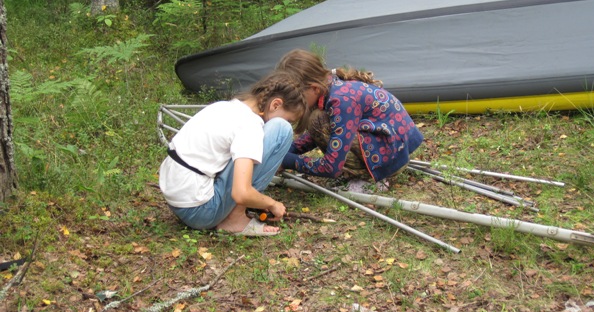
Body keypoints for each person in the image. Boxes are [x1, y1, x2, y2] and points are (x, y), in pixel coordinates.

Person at [159, 70, 307, 236]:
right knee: (281, 130)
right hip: (200, 211)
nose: (290, 124)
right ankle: (235, 219)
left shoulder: (224, 106)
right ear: (275, 105)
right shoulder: (249, 125)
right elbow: (241, 193)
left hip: (178, 202)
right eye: (289, 119)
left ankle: (231, 213)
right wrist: (272, 204)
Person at [277, 49, 424, 186]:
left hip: (391, 161)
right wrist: (287, 150)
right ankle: (370, 171)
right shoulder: (333, 88)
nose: (295, 103)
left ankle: (371, 179)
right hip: (395, 150)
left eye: (297, 97)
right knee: (318, 120)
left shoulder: (341, 100)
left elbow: (331, 167)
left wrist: (288, 161)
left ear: (314, 88)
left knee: (316, 119)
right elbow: (318, 133)